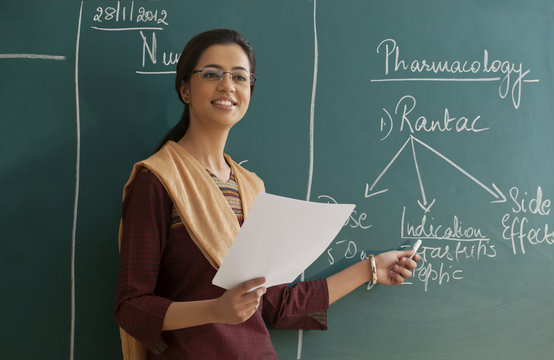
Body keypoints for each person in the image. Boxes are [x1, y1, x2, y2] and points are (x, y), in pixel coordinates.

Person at [114, 28, 421, 360]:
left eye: (240, 77)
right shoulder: (158, 180)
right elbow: (131, 307)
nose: (227, 85)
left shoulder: (250, 187)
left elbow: (276, 306)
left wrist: (371, 268)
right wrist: (216, 310)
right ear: (185, 89)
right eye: (212, 74)